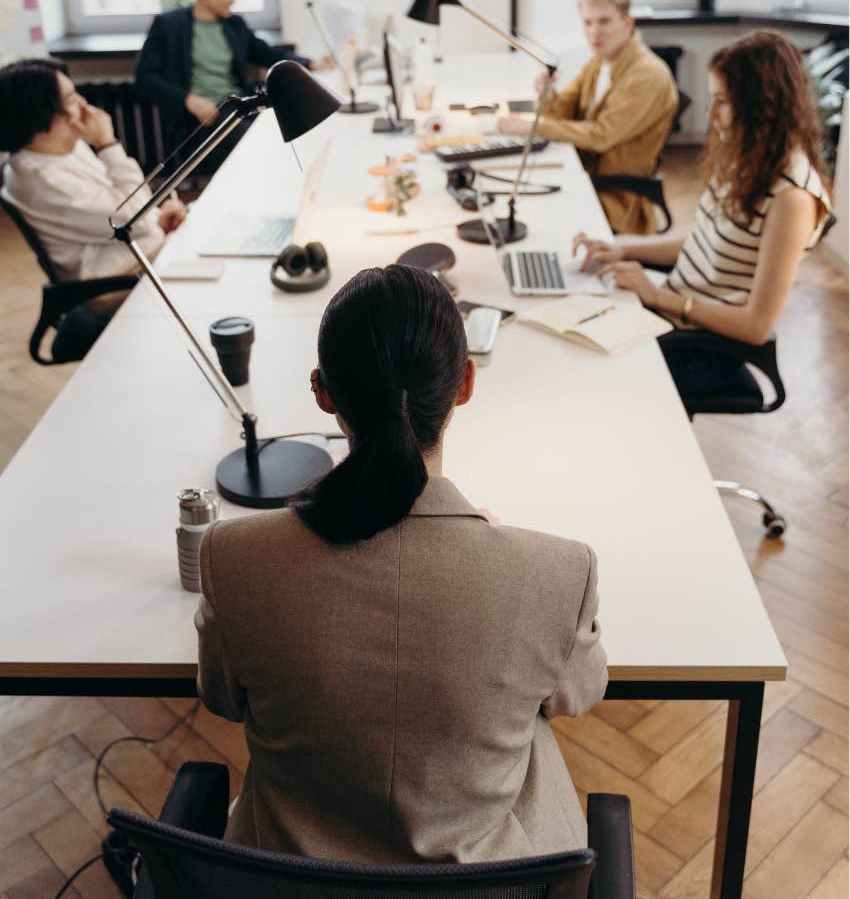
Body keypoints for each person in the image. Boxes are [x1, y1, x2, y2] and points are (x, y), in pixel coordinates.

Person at [195, 264, 607, 862]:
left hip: (289, 884)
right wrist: (496, 558)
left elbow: (221, 698)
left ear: (323, 391)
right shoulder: (557, 574)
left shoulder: (233, 559)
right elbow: (578, 694)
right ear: (464, 382)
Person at [573, 30, 832, 405]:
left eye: (723, 102)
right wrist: (622, 247)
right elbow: (705, 242)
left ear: (764, 105)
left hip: (707, 350)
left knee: (588, 378)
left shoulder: (791, 197)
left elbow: (757, 327)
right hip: (676, 319)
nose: (710, 116)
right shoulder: (747, 157)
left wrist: (658, 296)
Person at [498, 0, 678, 235]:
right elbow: (563, 113)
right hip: (585, 176)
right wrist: (548, 96)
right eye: (587, 22)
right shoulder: (599, 61)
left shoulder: (647, 75)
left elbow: (601, 135)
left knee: (527, 213)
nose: (594, 32)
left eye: (604, 21)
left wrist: (534, 125)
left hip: (614, 197)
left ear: (628, 23)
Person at [0, 58, 185, 284]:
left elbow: (125, 211)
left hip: (142, 254)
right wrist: (108, 145)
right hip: (120, 279)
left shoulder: (69, 146)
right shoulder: (39, 179)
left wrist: (158, 218)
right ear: (39, 113)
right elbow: (135, 221)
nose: (83, 104)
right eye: (70, 99)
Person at [135, 0, 328, 168]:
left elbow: (267, 54)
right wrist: (189, 100)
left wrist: (309, 64)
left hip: (240, 108)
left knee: (293, 126)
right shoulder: (168, 26)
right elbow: (145, 77)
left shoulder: (234, 24)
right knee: (264, 145)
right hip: (202, 122)